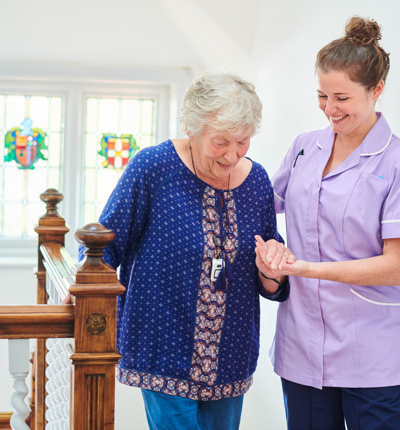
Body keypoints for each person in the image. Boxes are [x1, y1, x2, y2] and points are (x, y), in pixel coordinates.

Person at [90, 72, 293, 430]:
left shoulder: (258, 181)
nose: (232, 155)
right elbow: (105, 248)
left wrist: (272, 272)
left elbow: (269, 273)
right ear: (192, 129)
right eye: (221, 142)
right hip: (162, 345)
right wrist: (85, 302)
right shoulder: (153, 167)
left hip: (230, 353)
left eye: (243, 141)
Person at [255, 16, 400, 430]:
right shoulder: (305, 148)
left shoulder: (395, 161)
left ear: (377, 90)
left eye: (341, 98)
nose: (330, 110)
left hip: (374, 356)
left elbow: (396, 265)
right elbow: (262, 203)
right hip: (302, 348)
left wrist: (304, 269)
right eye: (322, 96)